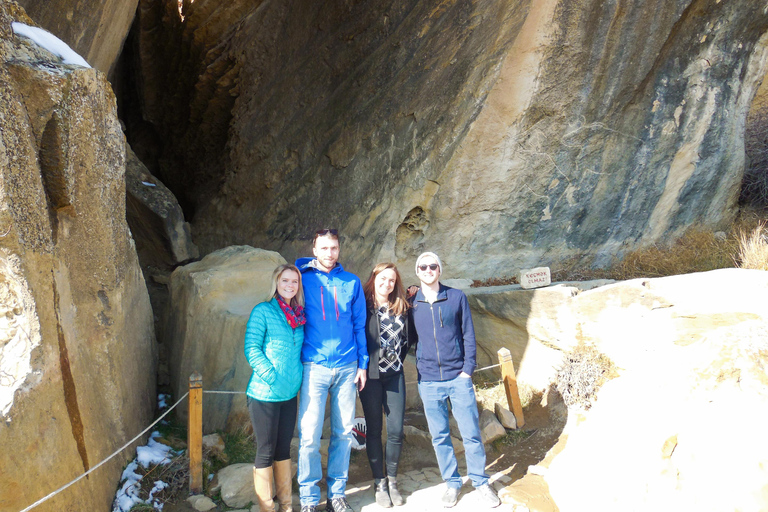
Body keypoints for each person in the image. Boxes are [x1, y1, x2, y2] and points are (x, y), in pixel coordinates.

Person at [410, 252, 501, 508]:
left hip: (458, 377)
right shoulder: (412, 303)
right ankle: (452, 483)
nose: (428, 270)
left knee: (471, 433)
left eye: (433, 266)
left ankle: (481, 482)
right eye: (423, 266)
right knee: (439, 436)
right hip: (428, 380)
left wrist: (467, 370)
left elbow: (469, 334)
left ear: (440, 270)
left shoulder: (456, 297)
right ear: (417, 271)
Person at [295, 229, 368, 512]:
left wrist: (362, 363)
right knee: (310, 436)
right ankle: (309, 498)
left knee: (342, 433)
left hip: (347, 367)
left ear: (339, 250)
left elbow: (359, 325)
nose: (329, 253)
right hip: (314, 366)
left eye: (334, 248)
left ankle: (337, 494)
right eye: (324, 248)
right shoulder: (303, 279)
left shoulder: (351, 282)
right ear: (314, 249)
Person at [244, 264, 306, 512]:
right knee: (266, 450)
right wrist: (272, 376)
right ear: (276, 283)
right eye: (285, 281)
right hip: (265, 394)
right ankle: (267, 507)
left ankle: (287, 505)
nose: (290, 285)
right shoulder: (263, 311)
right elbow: (251, 348)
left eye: (294, 282)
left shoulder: (299, 316)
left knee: (284, 448)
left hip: (290, 394)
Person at [359, 263, 411, 507]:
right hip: (370, 378)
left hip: (394, 375)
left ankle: (392, 480)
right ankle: (379, 482)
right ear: (374, 278)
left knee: (396, 431)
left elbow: (409, 339)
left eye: (391, 280)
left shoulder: (401, 306)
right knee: (374, 429)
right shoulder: (363, 306)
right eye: (383, 278)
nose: (387, 283)